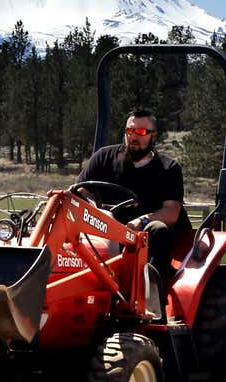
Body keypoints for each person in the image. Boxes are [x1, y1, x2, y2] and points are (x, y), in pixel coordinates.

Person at [76, 110, 192, 286]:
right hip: (106, 229)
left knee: (159, 229)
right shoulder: (104, 157)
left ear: (154, 136)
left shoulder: (168, 168)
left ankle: (151, 289)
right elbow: (80, 191)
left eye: (142, 132)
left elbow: (171, 212)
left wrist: (141, 222)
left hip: (143, 234)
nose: (134, 137)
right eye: (130, 131)